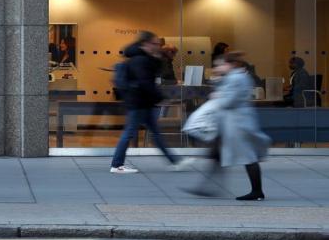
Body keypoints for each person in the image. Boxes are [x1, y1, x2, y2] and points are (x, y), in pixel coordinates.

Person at [182, 52, 271, 201]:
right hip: (233, 123)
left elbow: (229, 101)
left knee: (248, 157)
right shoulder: (236, 77)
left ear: (231, 64)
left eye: (222, 64)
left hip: (238, 124)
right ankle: (207, 187)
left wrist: (217, 96)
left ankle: (257, 191)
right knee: (218, 154)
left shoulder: (236, 78)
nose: (219, 67)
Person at [110, 31, 180, 174]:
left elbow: (152, 75)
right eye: (155, 43)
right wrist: (160, 98)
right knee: (130, 132)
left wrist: (158, 57)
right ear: (146, 43)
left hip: (144, 102)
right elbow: (146, 82)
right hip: (138, 102)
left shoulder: (145, 58)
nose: (158, 46)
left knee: (155, 133)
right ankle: (117, 165)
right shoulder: (139, 60)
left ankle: (175, 162)